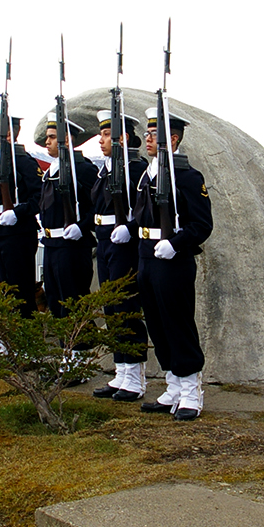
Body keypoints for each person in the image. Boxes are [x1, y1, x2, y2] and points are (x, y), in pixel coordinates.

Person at [115, 107, 213, 420]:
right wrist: (128, 230)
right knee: (157, 324)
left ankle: (191, 390)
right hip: (146, 256)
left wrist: (176, 243)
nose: (147, 138)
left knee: (178, 323)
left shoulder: (187, 176)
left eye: (154, 134)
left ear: (171, 138)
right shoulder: (149, 174)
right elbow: (143, 216)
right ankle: (173, 383)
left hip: (173, 259)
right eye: (146, 133)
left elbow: (201, 225)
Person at [91, 110, 149, 401]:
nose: (100, 140)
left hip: (124, 244)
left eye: (106, 135)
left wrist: (130, 227)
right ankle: (121, 371)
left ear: (123, 138)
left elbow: (144, 209)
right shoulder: (106, 169)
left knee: (126, 308)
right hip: (105, 241)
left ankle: (135, 377)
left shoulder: (136, 169)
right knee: (112, 309)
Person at [0, 116, 43, 316]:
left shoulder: (23, 162)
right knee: (4, 288)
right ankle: (10, 335)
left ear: (8, 134)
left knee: (20, 289)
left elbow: (39, 197)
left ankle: (26, 333)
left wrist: (18, 212)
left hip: (18, 233)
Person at [38, 118, 96, 319]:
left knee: (73, 299)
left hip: (72, 245)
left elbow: (97, 206)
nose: (48, 142)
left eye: (53, 137)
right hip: (51, 243)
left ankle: (79, 349)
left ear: (67, 140)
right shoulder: (51, 170)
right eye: (47, 137)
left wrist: (82, 226)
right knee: (55, 299)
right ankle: (68, 348)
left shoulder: (83, 169)